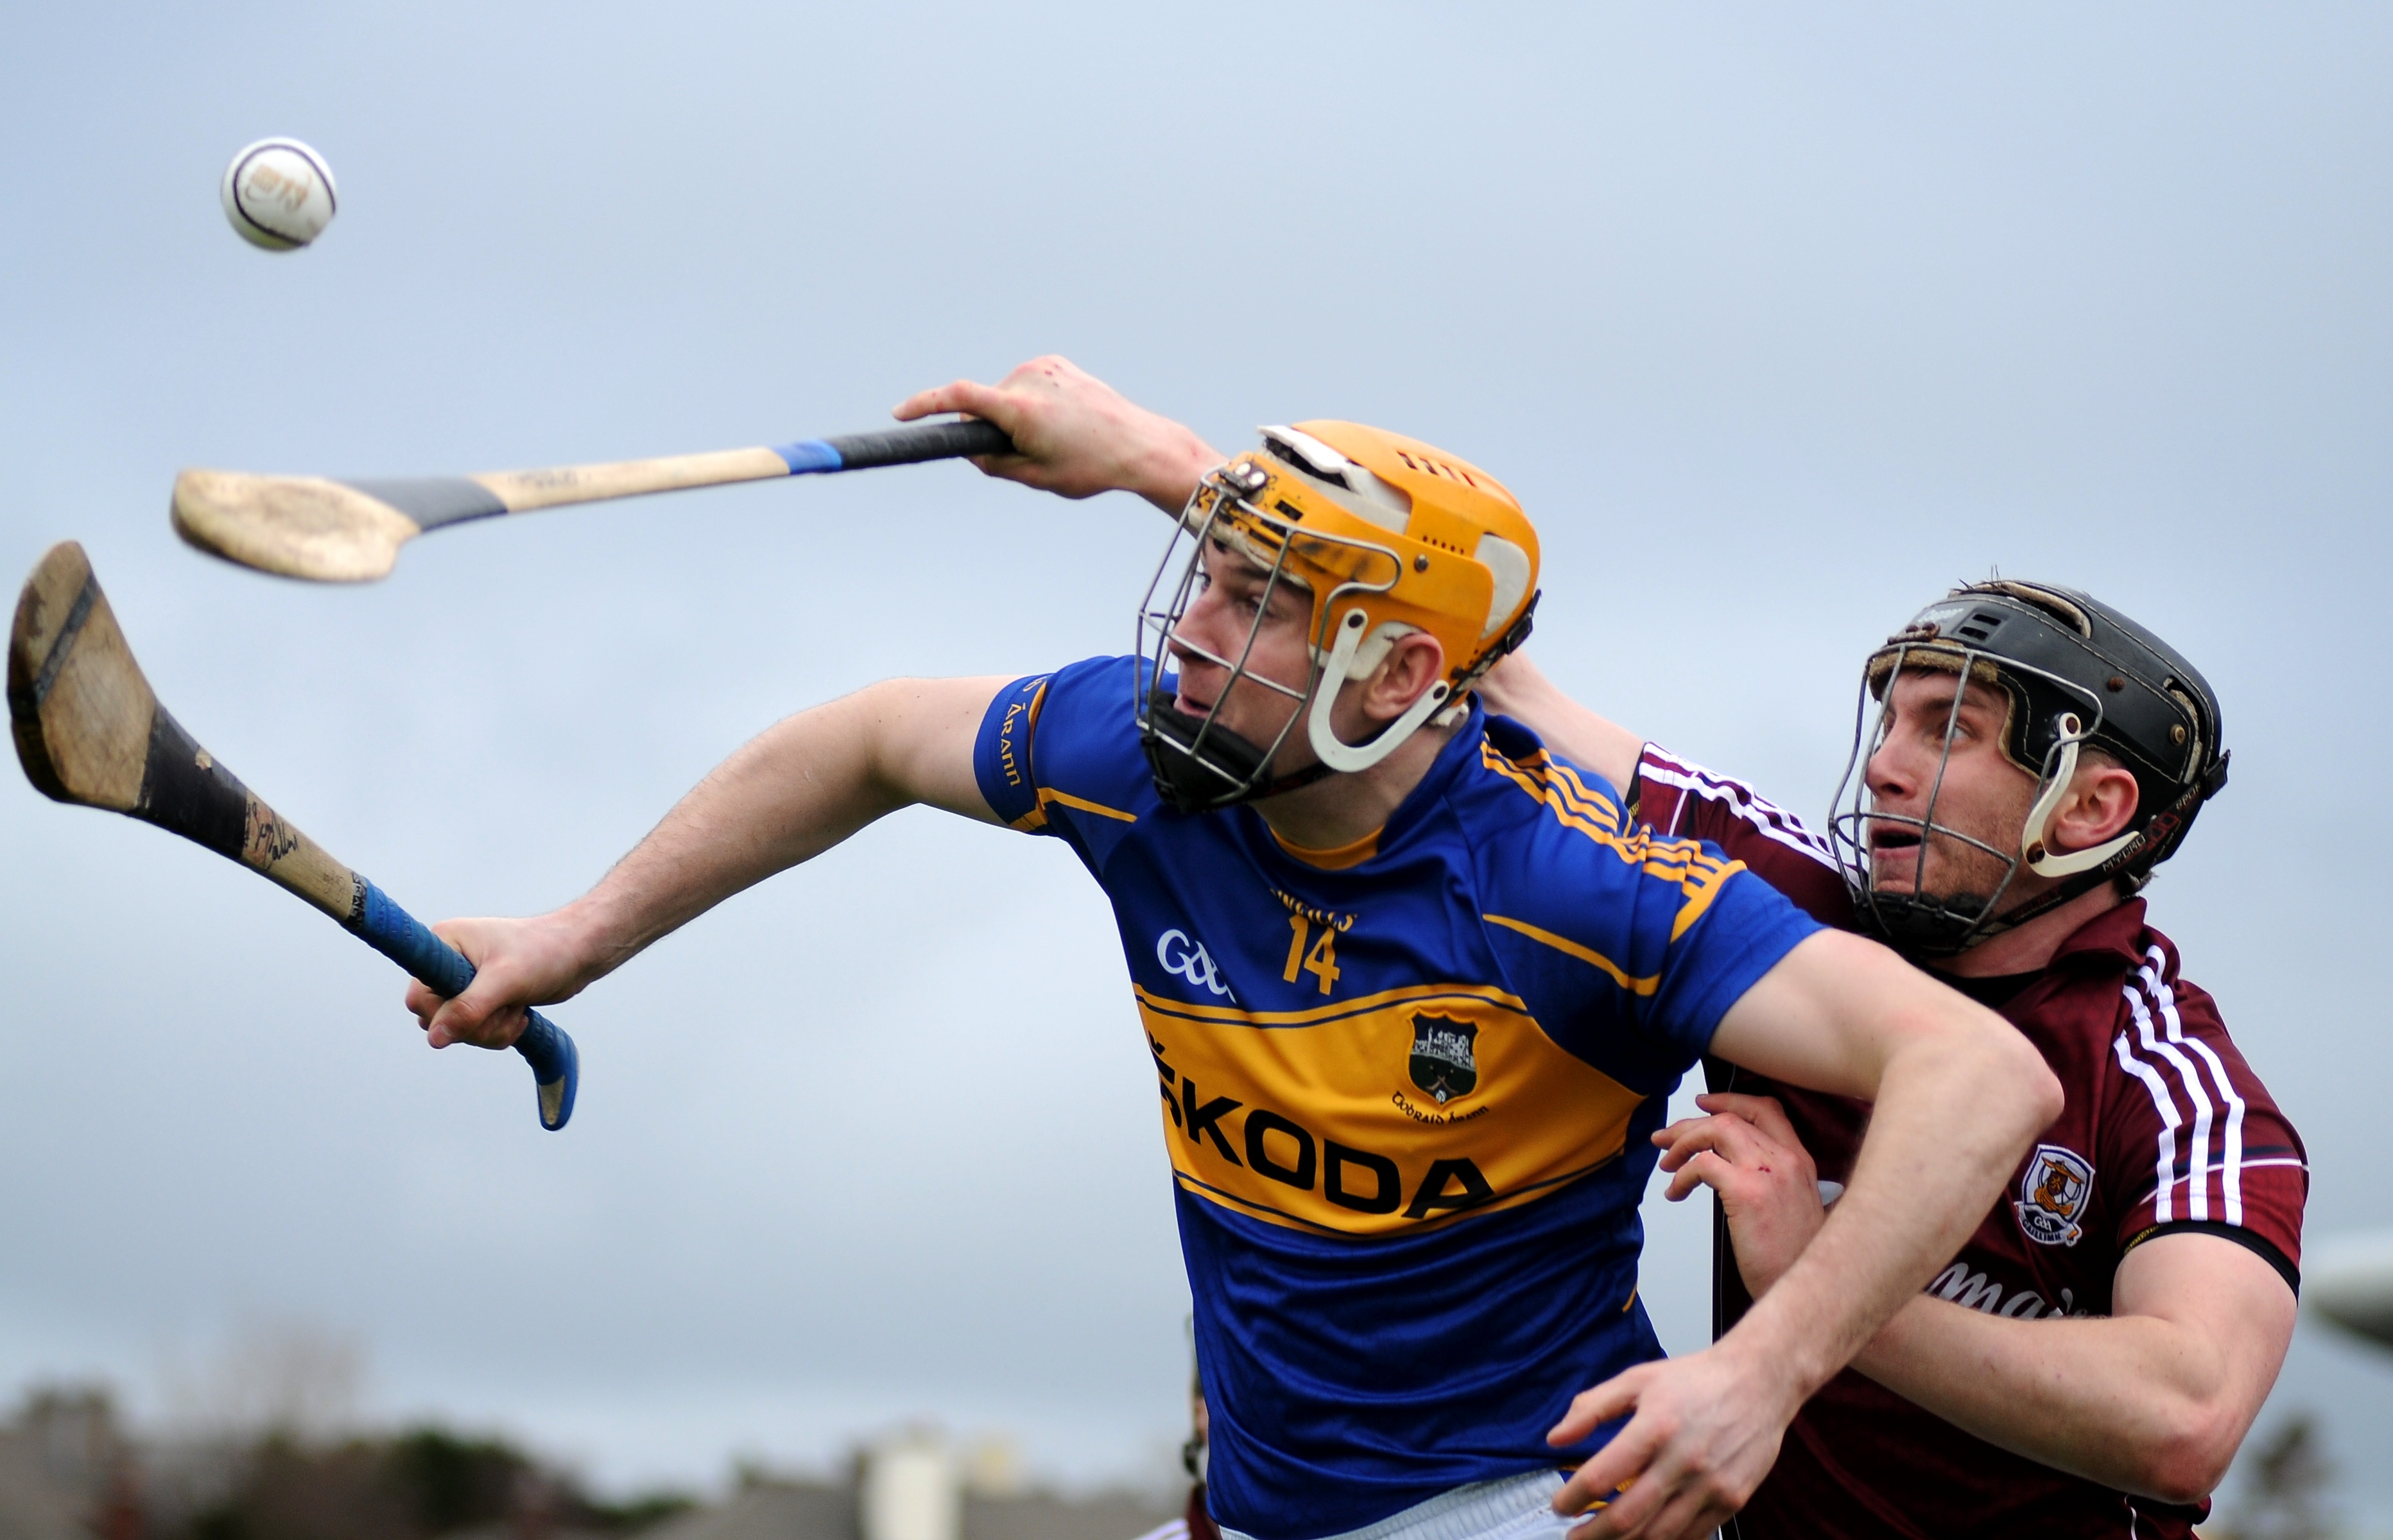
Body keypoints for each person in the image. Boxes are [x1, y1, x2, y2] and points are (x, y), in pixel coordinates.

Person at [403, 359, 2060, 1540]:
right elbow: (863, 738)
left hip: (1519, 1501)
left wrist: (1763, 1372)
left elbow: (1980, 1071)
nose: (1192, 629)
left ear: (1401, 674)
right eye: (1206, 570)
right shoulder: (1141, 754)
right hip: (1261, 1504)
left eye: (1259, 603)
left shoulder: (1575, 889)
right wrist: (570, 937)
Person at [1478, 602, 2308, 1539]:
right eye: (1890, 720)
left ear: (2089, 809)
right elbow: (1505, 689)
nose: (1882, 764)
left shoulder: (2178, 1087)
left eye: (1951, 728)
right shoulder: (1792, 915)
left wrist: (1817, 1280)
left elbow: (2185, 1417)